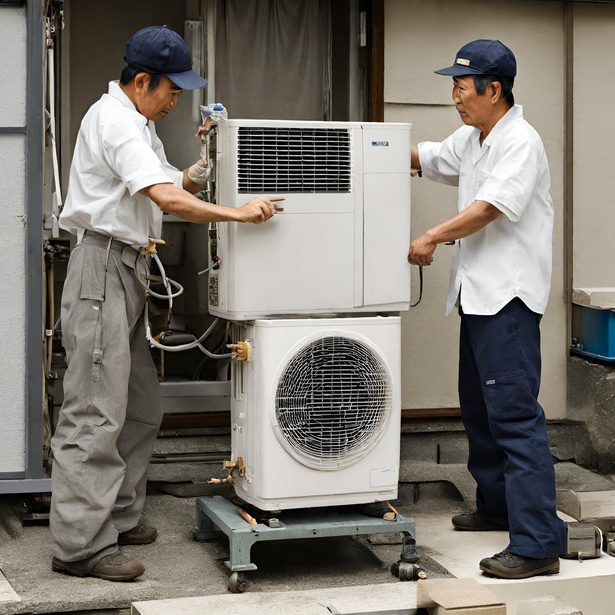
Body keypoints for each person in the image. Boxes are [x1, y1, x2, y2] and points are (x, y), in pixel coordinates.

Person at [50, 25, 277, 581]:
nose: (178, 100)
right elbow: (165, 198)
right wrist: (239, 214)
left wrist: (204, 162)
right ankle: (80, 546)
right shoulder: (115, 121)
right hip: (101, 267)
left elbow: (173, 182)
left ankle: (119, 517)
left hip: (126, 268)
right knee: (93, 412)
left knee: (140, 404)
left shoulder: (139, 123)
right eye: (172, 89)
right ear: (143, 80)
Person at [407, 39, 566, 579]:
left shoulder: (520, 140)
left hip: (509, 302)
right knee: (479, 412)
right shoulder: (475, 137)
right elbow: (426, 157)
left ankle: (538, 543)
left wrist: (432, 235)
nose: (454, 95)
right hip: (477, 299)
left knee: (516, 419)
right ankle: (497, 508)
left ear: (493, 89)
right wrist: (361, 146)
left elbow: (490, 208)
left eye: (461, 85)